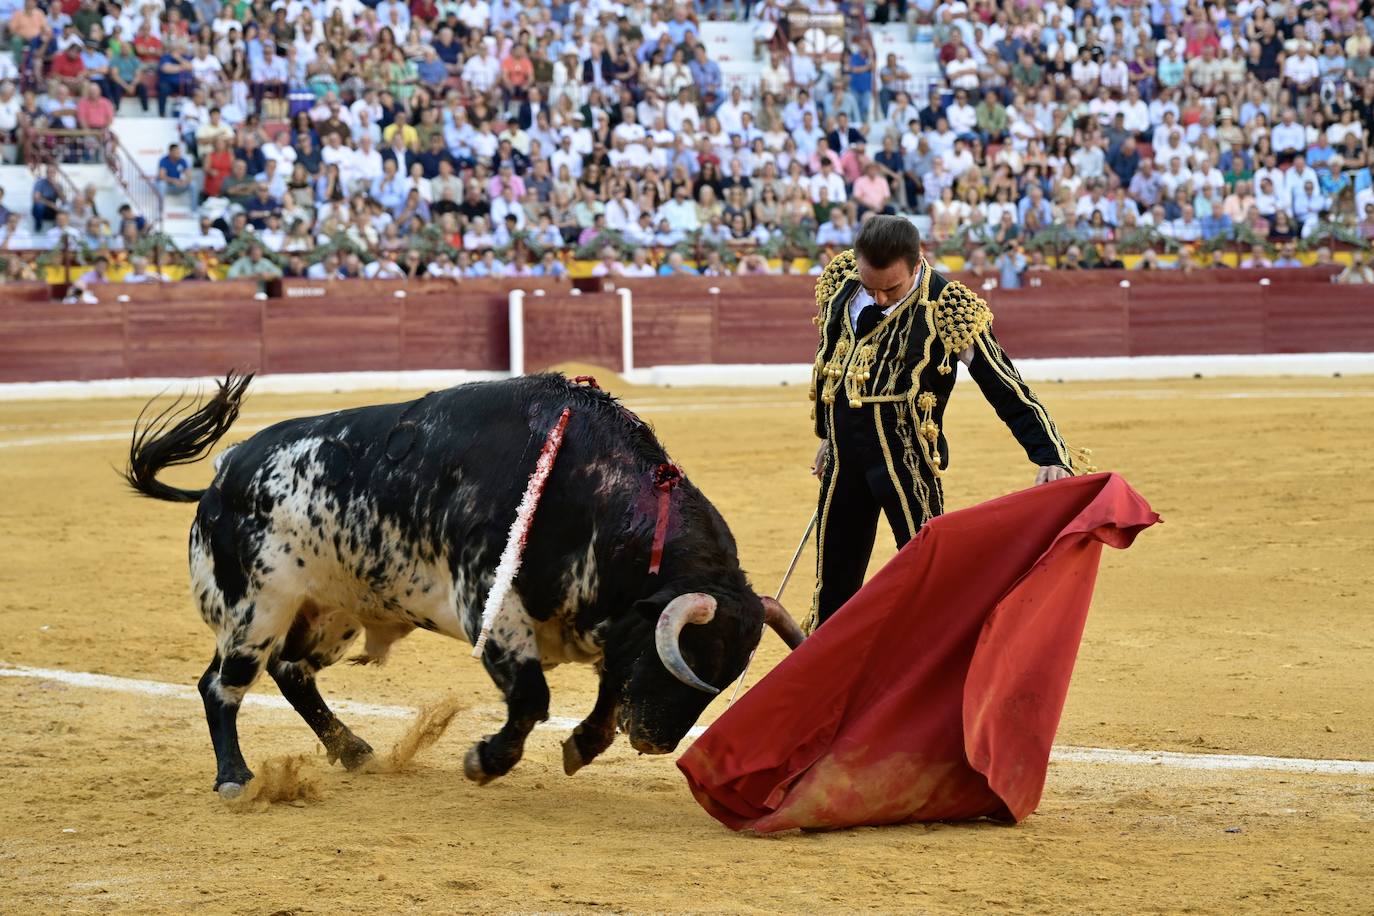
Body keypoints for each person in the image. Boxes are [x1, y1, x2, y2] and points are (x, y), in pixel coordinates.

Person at [805, 216, 1086, 630]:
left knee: (926, 579)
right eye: (871, 288)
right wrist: (830, 433)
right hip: (844, 461)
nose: (879, 299)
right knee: (833, 590)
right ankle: (829, 687)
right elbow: (834, 364)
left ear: (917, 264)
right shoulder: (843, 281)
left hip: (904, 462)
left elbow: (1004, 385)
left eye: (891, 288)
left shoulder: (947, 307)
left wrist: (1049, 454)